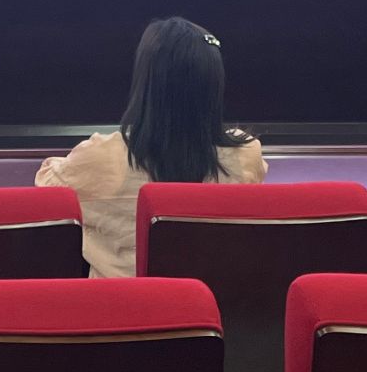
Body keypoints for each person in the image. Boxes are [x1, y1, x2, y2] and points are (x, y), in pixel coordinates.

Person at [36, 16, 267, 278]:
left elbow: (48, 187)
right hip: (208, 302)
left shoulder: (101, 156)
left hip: (120, 302)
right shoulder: (246, 154)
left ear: (146, 83)